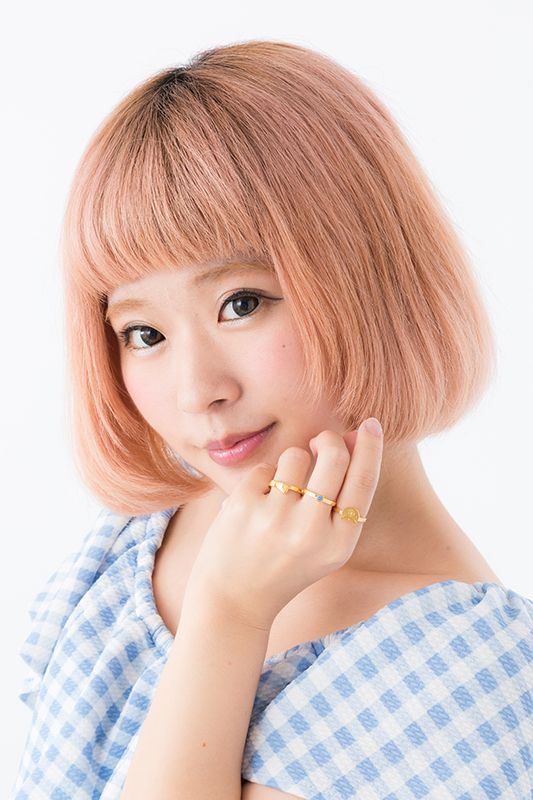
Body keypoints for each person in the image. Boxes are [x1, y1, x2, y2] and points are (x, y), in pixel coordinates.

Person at [11, 39, 532, 800]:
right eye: (144, 334)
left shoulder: (462, 669)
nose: (197, 392)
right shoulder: (143, 539)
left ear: (371, 275)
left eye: (242, 303)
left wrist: (228, 613)